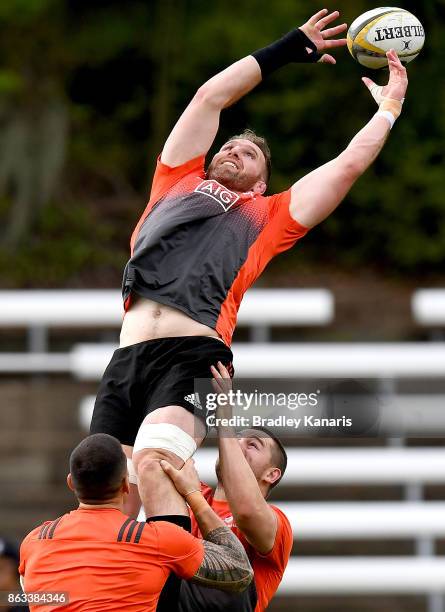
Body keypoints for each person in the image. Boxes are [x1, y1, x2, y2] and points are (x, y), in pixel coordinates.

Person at [90, 7, 408, 526]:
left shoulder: (268, 216)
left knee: (157, 463)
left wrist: (388, 108)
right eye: (231, 145)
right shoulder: (175, 181)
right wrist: (286, 49)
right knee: (108, 502)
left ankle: (181, 579)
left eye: (251, 155)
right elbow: (209, 97)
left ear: (261, 183)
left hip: (193, 359)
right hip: (125, 361)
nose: (236, 149)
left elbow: (348, 164)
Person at [18, 434, 253, 612]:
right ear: (125, 485)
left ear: (71, 483)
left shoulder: (34, 541)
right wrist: (193, 494)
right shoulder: (156, 540)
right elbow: (239, 570)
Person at [162, 362, 292, 611]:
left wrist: (224, 415)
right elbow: (165, 453)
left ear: (272, 474)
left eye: (252, 444)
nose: (236, 444)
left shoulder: (278, 523)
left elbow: (246, 511)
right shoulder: (194, 488)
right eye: (237, 438)